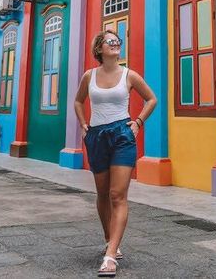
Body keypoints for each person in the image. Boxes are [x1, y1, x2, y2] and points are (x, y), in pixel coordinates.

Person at [74, 29, 157, 277]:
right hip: (97, 136)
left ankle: (110, 256)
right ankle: (110, 239)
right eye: (110, 41)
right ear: (99, 48)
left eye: (118, 41)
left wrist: (138, 123)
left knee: (117, 194)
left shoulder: (130, 75)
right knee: (102, 193)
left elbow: (151, 99)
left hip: (122, 135)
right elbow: (78, 101)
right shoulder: (89, 76)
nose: (115, 43)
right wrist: (83, 124)